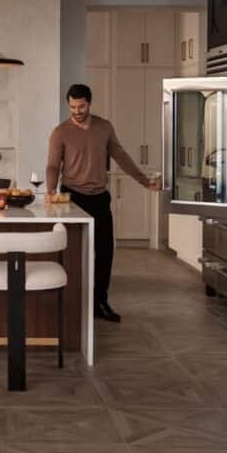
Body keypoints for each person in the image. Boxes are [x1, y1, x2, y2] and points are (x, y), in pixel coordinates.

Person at [45, 84, 160, 322]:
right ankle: (72, 302)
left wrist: (144, 181)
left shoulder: (104, 128)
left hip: (99, 197)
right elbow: (53, 166)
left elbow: (121, 156)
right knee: (73, 251)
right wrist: (49, 190)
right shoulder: (60, 132)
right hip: (71, 198)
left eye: (81, 106)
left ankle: (99, 302)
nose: (77, 111)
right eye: (73, 107)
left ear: (89, 103)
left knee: (105, 251)